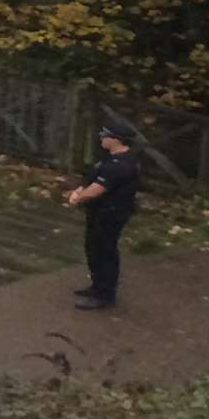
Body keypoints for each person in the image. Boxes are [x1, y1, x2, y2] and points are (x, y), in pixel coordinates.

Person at [67, 123, 141, 310]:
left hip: (111, 213)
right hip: (99, 211)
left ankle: (105, 294)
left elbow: (98, 188)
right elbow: (93, 178)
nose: (101, 137)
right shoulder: (112, 159)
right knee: (93, 247)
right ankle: (97, 285)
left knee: (105, 251)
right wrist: (80, 189)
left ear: (116, 139)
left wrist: (78, 198)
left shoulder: (122, 164)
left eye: (105, 135)